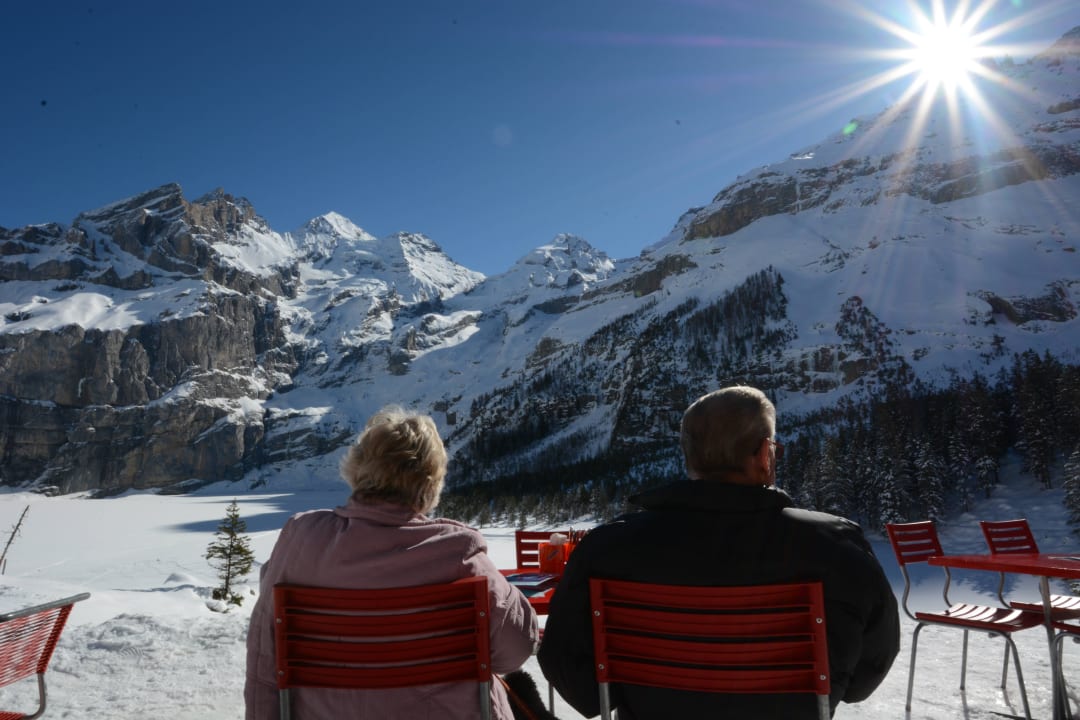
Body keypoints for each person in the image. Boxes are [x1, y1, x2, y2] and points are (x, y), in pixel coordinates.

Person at [537, 385, 900, 719]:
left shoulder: (606, 548)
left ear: (689, 457)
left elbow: (571, 673)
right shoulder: (837, 546)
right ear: (763, 454)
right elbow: (865, 674)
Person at [245, 406, 539, 720]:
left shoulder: (300, 540)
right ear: (431, 482)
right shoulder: (458, 551)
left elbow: (264, 664)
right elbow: (515, 650)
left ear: (356, 469)